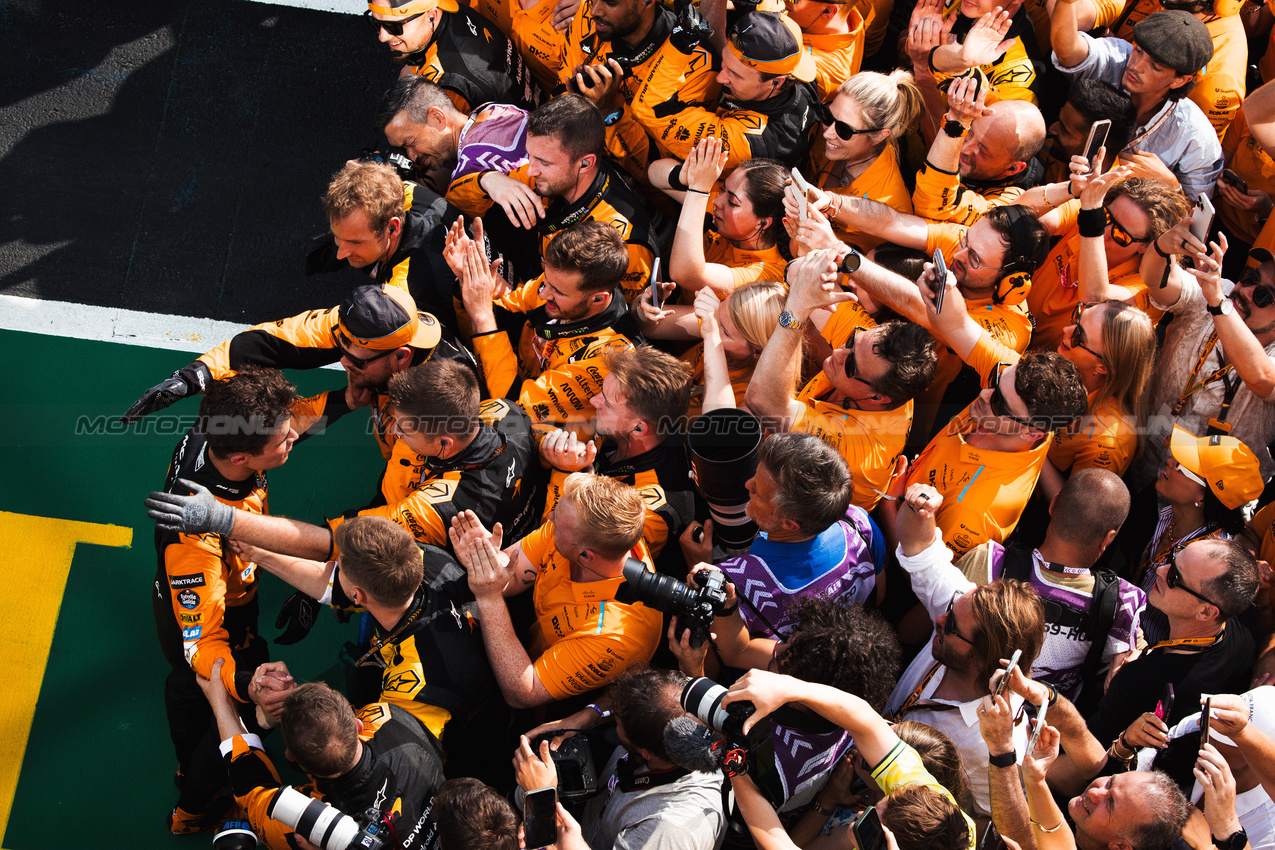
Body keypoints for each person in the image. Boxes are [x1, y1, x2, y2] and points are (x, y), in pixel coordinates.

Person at [148, 370, 339, 833]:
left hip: (239, 599)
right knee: (216, 721)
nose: (294, 433)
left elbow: (286, 423)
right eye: (283, 439)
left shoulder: (216, 431)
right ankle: (192, 812)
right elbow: (202, 649)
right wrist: (249, 681)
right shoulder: (194, 538)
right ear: (242, 457)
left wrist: (346, 401)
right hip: (210, 625)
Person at [145, 358, 541, 557]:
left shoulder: (440, 506)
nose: (393, 433)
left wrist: (223, 518)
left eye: (404, 430)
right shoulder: (509, 415)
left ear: (443, 445)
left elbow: (331, 542)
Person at [123, 284, 474, 463]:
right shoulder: (372, 327)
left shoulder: (434, 406)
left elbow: (408, 493)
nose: (344, 364)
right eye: (341, 350)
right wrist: (193, 377)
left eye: (357, 361)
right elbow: (268, 342)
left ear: (401, 356)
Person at [229, 516, 497, 744]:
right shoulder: (416, 558)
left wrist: (288, 706)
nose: (333, 567)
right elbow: (333, 585)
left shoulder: (418, 684)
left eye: (339, 565)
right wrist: (258, 554)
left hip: (468, 749)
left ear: (357, 596)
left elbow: (353, 751)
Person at [885, 483, 1046, 816]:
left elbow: (993, 820)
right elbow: (918, 543)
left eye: (952, 627)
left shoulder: (995, 744)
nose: (939, 618)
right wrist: (921, 508)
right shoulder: (963, 610)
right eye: (952, 606)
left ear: (989, 659)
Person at [671, 592, 904, 811]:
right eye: (790, 641)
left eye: (787, 657)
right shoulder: (847, 715)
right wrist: (729, 604)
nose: (778, 648)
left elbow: (693, 751)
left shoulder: (777, 756)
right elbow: (742, 650)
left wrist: (691, 671)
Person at [1061, 538, 1259, 793]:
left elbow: (1084, 766)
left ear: (1207, 612)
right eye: (1174, 556)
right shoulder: (1246, 621)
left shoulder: (1139, 681)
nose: (1161, 570)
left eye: (1176, 577)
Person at [745, 249, 938, 511]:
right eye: (850, 341)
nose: (837, 352)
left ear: (879, 397)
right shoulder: (873, 352)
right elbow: (798, 272)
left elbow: (763, 401)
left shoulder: (861, 448)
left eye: (850, 364)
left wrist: (798, 308)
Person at [449, 473, 664, 708]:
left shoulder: (619, 635)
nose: (549, 518)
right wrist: (486, 559)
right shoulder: (582, 528)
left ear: (585, 556)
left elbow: (523, 693)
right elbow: (510, 575)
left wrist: (489, 598)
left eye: (557, 525)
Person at [197, 663, 444, 850]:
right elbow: (340, 718)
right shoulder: (390, 716)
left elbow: (250, 791)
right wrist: (296, 699)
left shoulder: (313, 824)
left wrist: (221, 704)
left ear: (291, 758)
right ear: (357, 725)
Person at [723, 669, 976, 850]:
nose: (860, 815)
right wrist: (789, 688)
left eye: (871, 820)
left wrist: (735, 769)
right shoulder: (955, 824)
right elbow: (865, 721)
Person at [955, 468, 1146, 704]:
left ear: (1053, 505)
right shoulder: (1121, 605)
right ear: (1109, 538)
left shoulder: (989, 561)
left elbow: (922, 631)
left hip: (962, 710)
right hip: (1042, 734)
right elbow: (1128, 668)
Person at [446, 93, 655, 301]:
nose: (530, 170)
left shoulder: (626, 243)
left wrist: (504, 292)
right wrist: (489, 181)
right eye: (530, 156)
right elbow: (454, 202)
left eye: (544, 162)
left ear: (585, 163)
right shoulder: (549, 177)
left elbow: (594, 319)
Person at [447, 218, 643, 431]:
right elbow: (495, 319)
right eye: (546, 281)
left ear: (599, 299)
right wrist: (469, 280)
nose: (543, 293)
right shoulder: (555, 282)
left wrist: (481, 314)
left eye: (557, 292)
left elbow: (512, 407)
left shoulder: (607, 359)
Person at [684, 433, 885, 637]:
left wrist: (698, 563)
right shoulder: (860, 524)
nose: (747, 485)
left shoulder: (737, 583)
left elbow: (719, 658)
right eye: (755, 475)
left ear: (789, 524)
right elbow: (877, 597)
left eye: (758, 492)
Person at [1129, 222, 1275, 492]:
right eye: (1251, 278)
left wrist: (1218, 303)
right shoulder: (1218, 289)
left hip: (1204, 504)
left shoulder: (1218, 296)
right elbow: (1156, 281)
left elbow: (1263, 379)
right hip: (1141, 457)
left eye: (1264, 296)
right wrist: (1162, 248)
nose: (1246, 292)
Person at [510, 0, 720, 186]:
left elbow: (653, 172)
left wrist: (608, 111)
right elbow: (559, 96)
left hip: (639, 199)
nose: (595, 10)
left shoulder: (697, 66)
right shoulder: (586, 13)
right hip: (572, 159)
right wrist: (578, 101)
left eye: (611, 2)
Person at [899, 350, 1089, 556]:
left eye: (999, 402)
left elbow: (918, 574)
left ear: (1032, 433)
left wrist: (890, 501)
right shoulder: (1029, 414)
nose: (984, 394)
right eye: (995, 379)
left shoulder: (975, 511)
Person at [513, 668, 727, 850]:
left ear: (645, 752)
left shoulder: (668, 831)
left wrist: (542, 803)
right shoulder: (690, 713)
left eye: (618, 721)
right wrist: (586, 716)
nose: (613, 716)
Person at [537, 346, 695, 563]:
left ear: (639, 429)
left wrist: (566, 474)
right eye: (601, 392)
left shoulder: (651, 511)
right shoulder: (631, 429)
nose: (594, 401)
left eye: (607, 404)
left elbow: (561, 551)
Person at [1050, 6, 1223, 200]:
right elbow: (1067, 51)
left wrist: (1171, 186)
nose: (1135, 66)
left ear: (1180, 80)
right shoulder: (1116, 57)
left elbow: (1197, 219)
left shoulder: (1195, 136)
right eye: (1138, 51)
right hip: (1056, 190)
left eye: (1155, 66)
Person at [628, 10, 822, 171]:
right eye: (724, 64)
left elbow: (650, 109)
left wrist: (680, 42)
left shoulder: (750, 139)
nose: (721, 78)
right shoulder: (795, 66)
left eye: (735, 75)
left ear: (777, 83)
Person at [1028, 169, 1187, 354]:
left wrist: (1092, 222)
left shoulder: (1149, 288)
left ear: (1144, 248)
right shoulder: (1089, 213)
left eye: (1120, 234)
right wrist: (1071, 188)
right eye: (1105, 216)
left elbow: (1094, 298)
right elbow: (1027, 214)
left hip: (1050, 370)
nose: (1104, 231)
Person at [1134, 426, 1264, 646]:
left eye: (1182, 466)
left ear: (1204, 499)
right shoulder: (1169, 514)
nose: (1171, 462)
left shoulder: (1208, 562)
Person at [798, 69, 923, 252]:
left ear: (879, 135)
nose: (828, 133)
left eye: (845, 130)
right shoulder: (829, 135)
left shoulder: (891, 203)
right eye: (827, 116)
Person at [651, 139, 789, 296]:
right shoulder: (725, 209)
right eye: (722, 189)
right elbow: (654, 172)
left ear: (763, 223)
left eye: (732, 202)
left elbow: (685, 273)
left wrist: (698, 190)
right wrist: (683, 177)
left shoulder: (769, 275)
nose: (717, 201)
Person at [908, 76, 1048, 226]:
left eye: (983, 151)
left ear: (1013, 168)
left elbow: (930, 205)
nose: (965, 149)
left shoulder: (1012, 202)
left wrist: (954, 124)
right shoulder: (983, 106)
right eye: (971, 131)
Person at [634, 283, 787, 418]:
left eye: (725, 332)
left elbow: (716, 428)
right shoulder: (720, 324)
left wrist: (712, 334)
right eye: (717, 319)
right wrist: (644, 305)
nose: (711, 327)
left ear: (759, 352)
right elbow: (646, 326)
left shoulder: (760, 401)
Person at [365, 0, 543, 112]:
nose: (382, 36)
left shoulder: (448, 87)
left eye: (394, 27)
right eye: (376, 23)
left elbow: (441, 156)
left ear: (431, 15)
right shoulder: (450, 9)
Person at [375, 75, 530, 195]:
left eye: (411, 142)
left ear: (437, 117)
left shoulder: (470, 169)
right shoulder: (492, 110)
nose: (412, 156)